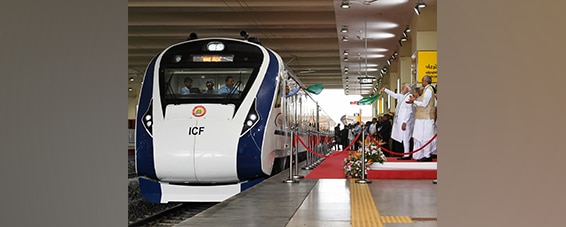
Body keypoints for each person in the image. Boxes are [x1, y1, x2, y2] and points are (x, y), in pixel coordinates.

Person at [380, 83, 415, 160]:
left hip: (405, 121)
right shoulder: (403, 96)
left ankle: (407, 154)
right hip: (401, 121)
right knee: (402, 138)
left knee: (406, 138)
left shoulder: (409, 96)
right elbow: (394, 95)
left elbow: (409, 111)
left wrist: (405, 122)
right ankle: (405, 153)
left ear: (407, 89)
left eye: (403, 87)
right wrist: (385, 90)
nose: (402, 88)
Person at [406, 76, 436, 162]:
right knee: (419, 136)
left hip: (426, 118)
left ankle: (427, 155)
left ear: (425, 82)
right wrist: (414, 101)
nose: (421, 84)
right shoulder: (426, 90)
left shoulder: (429, 90)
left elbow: (424, 104)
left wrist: (414, 101)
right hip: (422, 118)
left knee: (426, 137)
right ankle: (421, 155)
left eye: (422, 81)